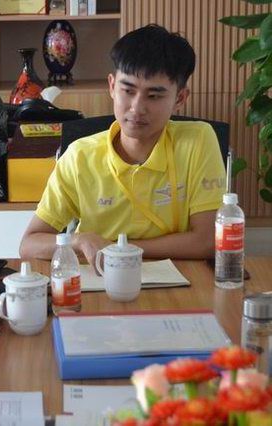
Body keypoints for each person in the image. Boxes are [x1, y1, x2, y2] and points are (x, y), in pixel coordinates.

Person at [20, 24, 226, 266]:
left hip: (180, 281)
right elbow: (28, 244)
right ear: (112, 86)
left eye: (154, 96)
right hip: (100, 281)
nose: (137, 108)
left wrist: (120, 250)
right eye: (128, 90)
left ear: (179, 98)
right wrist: (78, 240)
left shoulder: (198, 141)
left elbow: (208, 240)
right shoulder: (79, 156)